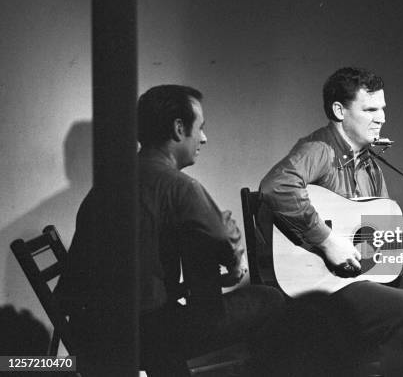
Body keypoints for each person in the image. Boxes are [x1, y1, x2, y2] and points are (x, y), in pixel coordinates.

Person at [57, 85, 285, 376]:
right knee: (270, 300)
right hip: (143, 336)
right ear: (179, 128)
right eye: (200, 128)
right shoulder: (178, 187)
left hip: (93, 333)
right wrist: (235, 262)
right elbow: (222, 236)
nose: (204, 138)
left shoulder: (109, 183)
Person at [259, 67, 403, 376]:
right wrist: (328, 242)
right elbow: (276, 186)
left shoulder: (371, 164)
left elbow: (380, 246)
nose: (381, 117)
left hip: (366, 277)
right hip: (326, 287)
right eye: (370, 109)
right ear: (339, 111)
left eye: (382, 108)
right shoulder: (320, 149)